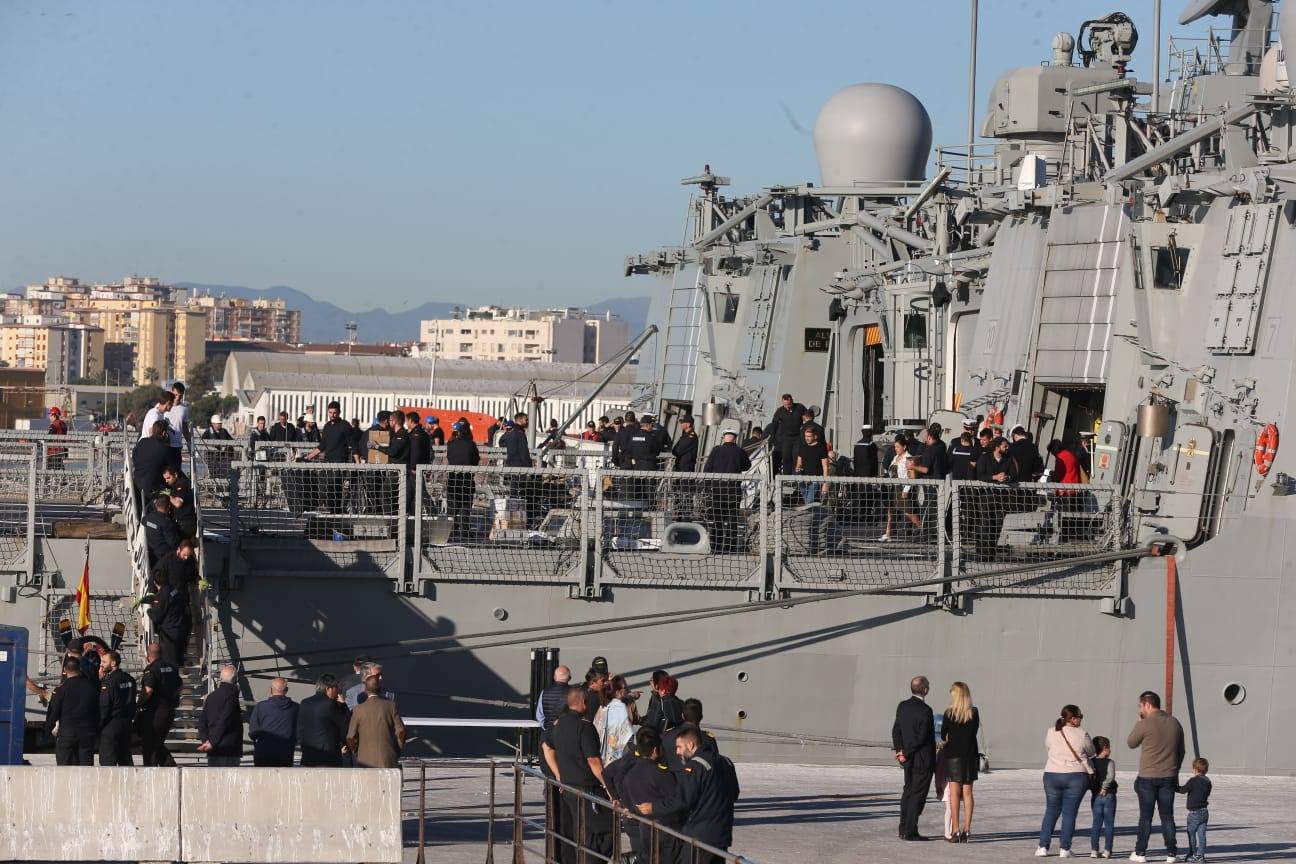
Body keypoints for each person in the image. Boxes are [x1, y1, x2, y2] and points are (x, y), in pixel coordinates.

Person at [637, 725, 740, 863]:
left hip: (700, 836)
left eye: (679, 746)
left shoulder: (696, 766)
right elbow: (734, 793)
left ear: (690, 745)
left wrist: (653, 807)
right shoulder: (726, 762)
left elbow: (682, 799)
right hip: (721, 836)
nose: (677, 752)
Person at [542, 687, 610, 864]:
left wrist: (558, 775)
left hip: (568, 786)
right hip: (587, 787)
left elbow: (546, 746)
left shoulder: (559, 724)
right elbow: (594, 761)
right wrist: (609, 787)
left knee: (578, 831)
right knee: (603, 829)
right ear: (583, 703)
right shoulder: (585, 726)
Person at [1127, 690, 1185, 863]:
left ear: (1147, 704)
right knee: (1167, 816)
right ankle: (1171, 854)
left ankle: (1140, 853)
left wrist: (1139, 723)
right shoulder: (1175, 723)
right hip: (1168, 776)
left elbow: (1131, 743)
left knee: (1146, 816)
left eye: (1140, 706)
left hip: (1147, 777)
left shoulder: (1145, 723)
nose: (1140, 709)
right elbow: (1181, 751)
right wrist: (1174, 770)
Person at [616, 727, 684, 863]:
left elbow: (628, 802)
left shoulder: (630, 775)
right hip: (667, 830)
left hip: (645, 829)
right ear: (655, 750)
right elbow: (678, 801)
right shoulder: (661, 773)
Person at [1038, 704, 1095, 858]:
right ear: (1073, 719)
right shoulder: (1082, 734)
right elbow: (1091, 752)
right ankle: (1065, 848)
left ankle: (1043, 847)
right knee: (1069, 813)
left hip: (1052, 774)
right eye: (1080, 716)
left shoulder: (1051, 731)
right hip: (1076, 776)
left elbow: (1048, 748)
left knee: (1051, 811)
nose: (1081, 719)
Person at [893, 675, 935, 841]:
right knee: (917, 796)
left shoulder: (902, 706)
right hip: (922, 760)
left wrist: (900, 751)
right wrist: (906, 752)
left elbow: (896, 730)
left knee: (908, 792)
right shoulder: (926, 710)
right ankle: (910, 831)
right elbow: (922, 737)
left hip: (907, 760)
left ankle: (903, 828)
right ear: (925, 690)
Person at [941, 681, 979, 843]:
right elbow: (974, 731)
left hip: (953, 756)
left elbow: (943, 735)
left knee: (954, 794)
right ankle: (967, 830)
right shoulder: (974, 712)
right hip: (970, 756)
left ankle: (955, 830)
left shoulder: (949, 713)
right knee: (968, 793)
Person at [703, 426, 751, 554]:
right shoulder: (740, 451)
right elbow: (747, 465)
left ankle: (716, 546)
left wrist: (706, 487)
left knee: (717, 519)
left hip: (718, 489)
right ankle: (730, 547)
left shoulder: (716, 450)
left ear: (724, 437)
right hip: (733, 489)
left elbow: (708, 469)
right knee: (732, 519)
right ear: (735, 438)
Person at [45, 656, 99, 765]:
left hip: (67, 734)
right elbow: (98, 710)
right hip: (87, 734)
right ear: (80, 668)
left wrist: (46, 731)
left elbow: (54, 713)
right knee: (86, 768)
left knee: (65, 768)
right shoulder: (92, 687)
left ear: (65, 670)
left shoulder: (61, 689)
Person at [346, 671, 407, 768]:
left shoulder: (358, 710)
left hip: (365, 760)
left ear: (365, 690)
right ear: (379, 688)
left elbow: (350, 737)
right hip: (388, 758)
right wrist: (397, 749)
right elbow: (402, 731)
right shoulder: (390, 706)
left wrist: (357, 752)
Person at [136, 641, 181, 766]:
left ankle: (152, 770)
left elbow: (148, 690)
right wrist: (172, 697)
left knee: (149, 744)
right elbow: (179, 685)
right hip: (168, 710)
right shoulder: (171, 667)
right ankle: (170, 766)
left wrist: (138, 705)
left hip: (155, 712)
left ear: (148, 655)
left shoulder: (151, 670)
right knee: (157, 742)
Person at [297, 673, 351, 767]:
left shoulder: (304, 702)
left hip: (308, 754)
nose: (338, 690)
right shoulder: (330, 704)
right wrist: (343, 705)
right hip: (328, 756)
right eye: (336, 687)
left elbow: (300, 729)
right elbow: (344, 724)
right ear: (328, 688)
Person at [96, 649, 137, 766]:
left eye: (104, 662)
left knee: (107, 760)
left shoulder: (108, 682)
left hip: (111, 724)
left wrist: (99, 725)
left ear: (113, 663)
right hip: (126, 723)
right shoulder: (130, 679)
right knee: (125, 758)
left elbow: (104, 706)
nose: (101, 664)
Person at [198, 664, 244, 766]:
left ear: (220, 678)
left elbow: (202, 723)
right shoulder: (232, 697)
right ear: (235, 679)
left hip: (213, 749)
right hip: (229, 749)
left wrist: (206, 741)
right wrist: (211, 742)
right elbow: (224, 721)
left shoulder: (211, 697)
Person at [247, 677, 299, 767]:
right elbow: (300, 730)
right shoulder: (296, 708)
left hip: (263, 753)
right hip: (286, 753)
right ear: (286, 690)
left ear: (271, 690)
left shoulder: (261, 707)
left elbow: (253, 732)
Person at [662, 699, 720, 772]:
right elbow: (714, 765)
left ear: (682, 716)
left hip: (672, 781)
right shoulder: (709, 740)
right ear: (701, 717)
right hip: (698, 781)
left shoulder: (666, 736)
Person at [880, 435, 920, 542]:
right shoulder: (895, 458)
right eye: (895, 447)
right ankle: (888, 533)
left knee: (908, 512)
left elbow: (911, 477)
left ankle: (923, 530)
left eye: (898, 447)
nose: (896, 449)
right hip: (893, 488)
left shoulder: (909, 458)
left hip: (902, 489)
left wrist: (906, 490)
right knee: (890, 511)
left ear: (904, 446)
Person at [148, 575, 191, 668]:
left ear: (155, 583)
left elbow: (156, 616)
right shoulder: (174, 591)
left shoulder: (162, 594)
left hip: (169, 633)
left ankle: (172, 680)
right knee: (177, 660)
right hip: (180, 629)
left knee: (169, 662)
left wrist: (149, 610)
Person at [594, 674, 635, 765]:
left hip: (601, 755)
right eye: (624, 688)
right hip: (618, 758)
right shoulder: (621, 707)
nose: (626, 690)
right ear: (617, 691)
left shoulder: (603, 707)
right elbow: (628, 735)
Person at [1089, 736, 1118, 860]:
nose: (1110, 750)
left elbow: (1089, 777)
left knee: (1096, 823)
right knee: (1109, 824)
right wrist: (1105, 787)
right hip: (1109, 795)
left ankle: (1094, 850)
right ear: (1104, 748)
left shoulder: (1091, 762)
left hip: (1095, 796)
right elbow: (1110, 776)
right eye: (1109, 747)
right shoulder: (1110, 762)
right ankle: (1107, 851)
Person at [132, 421, 173, 509]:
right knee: (171, 489)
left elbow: (134, 459)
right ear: (164, 433)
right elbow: (171, 469)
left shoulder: (141, 442)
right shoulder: (165, 449)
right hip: (155, 488)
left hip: (137, 484)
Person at [1177, 757, 1211, 863]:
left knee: (1191, 833)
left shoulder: (1193, 781)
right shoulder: (1208, 781)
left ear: (1195, 769)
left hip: (1194, 813)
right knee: (1202, 835)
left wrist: (1174, 787)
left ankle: (1192, 853)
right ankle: (1200, 856)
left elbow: (1183, 790)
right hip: (1204, 812)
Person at [765, 393, 807, 476]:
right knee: (786, 458)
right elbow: (774, 425)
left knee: (796, 457)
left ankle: (796, 477)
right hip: (786, 438)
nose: (787, 406)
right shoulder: (780, 411)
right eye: (785, 405)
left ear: (792, 401)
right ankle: (786, 477)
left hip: (797, 437)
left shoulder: (799, 407)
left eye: (788, 404)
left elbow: (807, 416)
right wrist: (773, 439)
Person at [793, 425, 830, 505]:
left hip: (816, 480)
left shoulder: (821, 448)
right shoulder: (802, 448)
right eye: (806, 436)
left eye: (809, 436)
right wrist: (798, 468)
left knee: (809, 502)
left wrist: (825, 484)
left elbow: (825, 467)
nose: (807, 438)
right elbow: (799, 463)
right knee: (807, 502)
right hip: (803, 481)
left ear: (815, 436)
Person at [642, 670, 685, 734]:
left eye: (651, 680)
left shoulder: (659, 703)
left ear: (663, 690)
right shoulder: (682, 703)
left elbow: (650, 725)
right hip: (679, 737)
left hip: (662, 739)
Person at [143, 497, 182, 567]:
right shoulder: (166, 523)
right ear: (168, 507)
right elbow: (173, 542)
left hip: (151, 552)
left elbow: (143, 521)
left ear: (156, 505)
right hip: (165, 555)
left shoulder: (149, 518)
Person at [161, 464, 197, 538]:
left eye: (168, 478)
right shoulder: (175, 485)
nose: (166, 481)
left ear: (175, 475)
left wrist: (168, 495)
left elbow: (178, 504)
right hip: (182, 522)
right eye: (165, 479)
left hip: (185, 524)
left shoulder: (181, 484)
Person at [535, 665, 572, 731]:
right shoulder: (574, 693)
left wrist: (546, 727)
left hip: (549, 732)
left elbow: (539, 716)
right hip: (568, 732)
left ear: (554, 677)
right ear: (569, 678)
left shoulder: (544, 692)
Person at [166, 381, 191, 470]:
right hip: (165, 445)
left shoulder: (184, 409)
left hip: (177, 446)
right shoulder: (164, 406)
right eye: (176, 395)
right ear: (172, 392)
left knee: (176, 471)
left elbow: (184, 427)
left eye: (180, 396)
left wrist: (189, 442)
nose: (177, 398)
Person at [46, 406, 69, 470]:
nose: (49, 417)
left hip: (53, 451)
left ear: (54, 415)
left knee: (50, 471)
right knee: (59, 469)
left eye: (50, 415)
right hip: (60, 451)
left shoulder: (54, 425)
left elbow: (49, 437)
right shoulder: (63, 424)